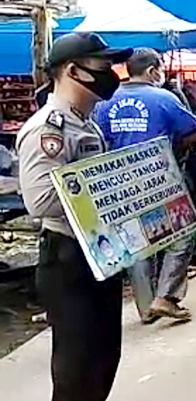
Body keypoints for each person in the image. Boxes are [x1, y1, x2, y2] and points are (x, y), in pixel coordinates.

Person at [17, 32, 132, 401]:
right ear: (72, 70)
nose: (111, 74)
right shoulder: (48, 129)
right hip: (68, 258)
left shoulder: (87, 123)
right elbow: (41, 200)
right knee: (77, 371)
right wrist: (109, 190)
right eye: (103, 66)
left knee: (103, 360)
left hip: (101, 252)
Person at [94, 48, 196, 324]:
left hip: (120, 183)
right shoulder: (163, 98)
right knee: (182, 232)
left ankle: (146, 308)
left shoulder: (105, 101)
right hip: (159, 179)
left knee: (137, 243)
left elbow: (100, 138)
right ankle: (165, 297)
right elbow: (191, 131)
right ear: (152, 71)